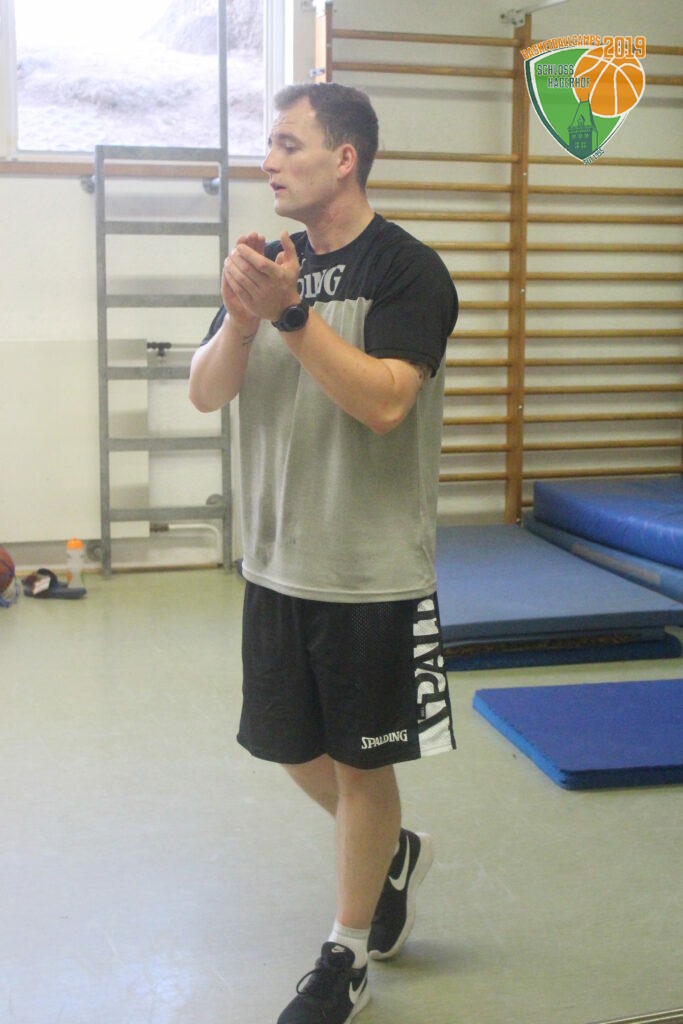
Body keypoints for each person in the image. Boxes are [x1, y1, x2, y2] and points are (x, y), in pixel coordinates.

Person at [189, 81, 458, 1024]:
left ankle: (344, 956)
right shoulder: (272, 264)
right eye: (268, 144)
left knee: (360, 767)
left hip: (366, 569)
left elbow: (385, 402)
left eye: (287, 143)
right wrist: (244, 316)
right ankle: (390, 852)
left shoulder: (407, 270)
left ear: (343, 158)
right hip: (274, 560)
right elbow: (206, 393)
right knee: (291, 748)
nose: (268, 161)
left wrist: (294, 319)